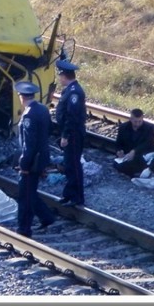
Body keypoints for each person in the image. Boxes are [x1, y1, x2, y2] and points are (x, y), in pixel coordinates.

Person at [13, 81, 55, 237]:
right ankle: (46, 217)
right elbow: (49, 130)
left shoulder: (29, 114)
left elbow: (28, 144)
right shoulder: (43, 109)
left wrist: (23, 164)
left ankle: (23, 229)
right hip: (42, 157)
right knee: (30, 192)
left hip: (32, 161)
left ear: (21, 97)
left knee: (25, 195)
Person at [55, 59, 86, 207]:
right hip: (70, 133)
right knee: (69, 165)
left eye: (60, 75)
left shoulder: (74, 93)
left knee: (73, 165)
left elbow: (72, 117)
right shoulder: (69, 90)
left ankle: (77, 197)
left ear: (64, 76)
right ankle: (69, 194)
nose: (59, 78)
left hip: (73, 134)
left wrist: (65, 136)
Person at [113, 108, 154, 177]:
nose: (137, 124)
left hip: (143, 153)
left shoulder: (150, 128)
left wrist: (134, 151)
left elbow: (149, 143)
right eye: (135, 121)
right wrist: (119, 151)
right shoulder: (123, 127)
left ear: (142, 118)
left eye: (140, 121)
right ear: (131, 119)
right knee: (117, 165)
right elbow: (118, 143)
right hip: (127, 154)